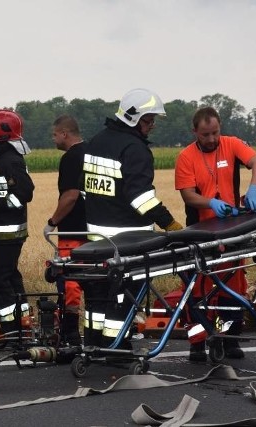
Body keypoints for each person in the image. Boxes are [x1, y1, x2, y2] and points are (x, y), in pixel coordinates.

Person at [81, 88, 183, 348]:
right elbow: (141, 199)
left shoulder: (96, 141)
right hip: (129, 238)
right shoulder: (135, 149)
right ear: (134, 118)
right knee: (125, 293)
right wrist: (170, 224)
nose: (152, 126)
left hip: (96, 237)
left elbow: (87, 189)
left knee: (99, 293)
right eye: (149, 120)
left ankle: (93, 342)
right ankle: (117, 345)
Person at [175, 106, 256, 361]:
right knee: (197, 290)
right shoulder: (186, 157)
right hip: (200, 232)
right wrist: (210, 203)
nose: (212, 139)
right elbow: (187, 194)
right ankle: (197, 343)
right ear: (195, 132)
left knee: (233, 288)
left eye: (215, 132)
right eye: (205, 135)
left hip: (233, 230)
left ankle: (229, 340)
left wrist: (254, 189)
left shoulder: (231, 144)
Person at [0, 109, 35, 337]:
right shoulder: (1, 157)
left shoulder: (9, 160)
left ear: (2, 135)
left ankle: (10, 328)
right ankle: (22, 324)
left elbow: (25, 192)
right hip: (5, 232)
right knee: (10, 277)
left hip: (8, 233)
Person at [42, 115, 86, 346]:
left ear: (65, 134)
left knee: (69, 283)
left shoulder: (70, 158)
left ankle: (69, 334)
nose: (54, 138)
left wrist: (52, 222)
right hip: (94, 231)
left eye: (55, 134)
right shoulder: (92, 153)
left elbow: (70, 195)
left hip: (73, 232)